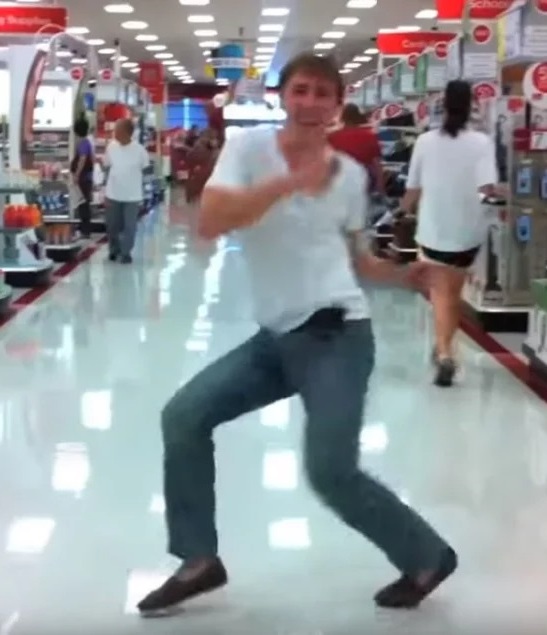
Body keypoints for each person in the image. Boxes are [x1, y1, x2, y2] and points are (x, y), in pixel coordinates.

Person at [138, 52, 457, 618]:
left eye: (323, 94)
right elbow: (211, 222)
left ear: (337, 105)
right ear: (283, 96)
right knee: (181, 416)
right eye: (301, 90)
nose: (310, 102)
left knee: (329, 471)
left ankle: (427, 556)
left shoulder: (352, 177)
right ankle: (198, 560)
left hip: (339, 335)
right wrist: (289, 183)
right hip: (277, 338)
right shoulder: (248, 149)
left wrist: (401, 275)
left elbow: (356, 259)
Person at [399, 80, 497, 387]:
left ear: (443, 104)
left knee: (441, 295)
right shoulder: (482, 143)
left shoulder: (426, 142)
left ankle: (444, 354)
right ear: (471, 106)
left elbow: (412, 189)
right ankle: (443, 348)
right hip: (469, 232)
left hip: (433, 232)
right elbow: (487, 189)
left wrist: (403, 210)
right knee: (451, 295)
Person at [103, 118, 150, 264]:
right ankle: (114, 250)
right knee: (112, 226)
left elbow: (146, 171)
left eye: (117, 130)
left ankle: (126, 253)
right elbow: (107, 167)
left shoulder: (140, 151)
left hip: (132, 196)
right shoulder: (111, 147)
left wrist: (145, 195)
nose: (114, 133)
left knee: (130, 226)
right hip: (113, 193)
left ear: (127, 133)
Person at [329, 103, 386, 197]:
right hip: (364, 179)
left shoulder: (332, 137)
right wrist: (381, 189)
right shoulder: (369, 136)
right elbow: (377, 164)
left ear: (342, 117)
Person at [71, 117, 94, 239]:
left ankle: (85, 230)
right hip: (86, 178)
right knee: (84, 204)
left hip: (83, 179)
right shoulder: (86, 142)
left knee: (83, 204)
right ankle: (85, 228)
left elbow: (82, 159)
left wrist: (76, 175)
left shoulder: (83, 143)